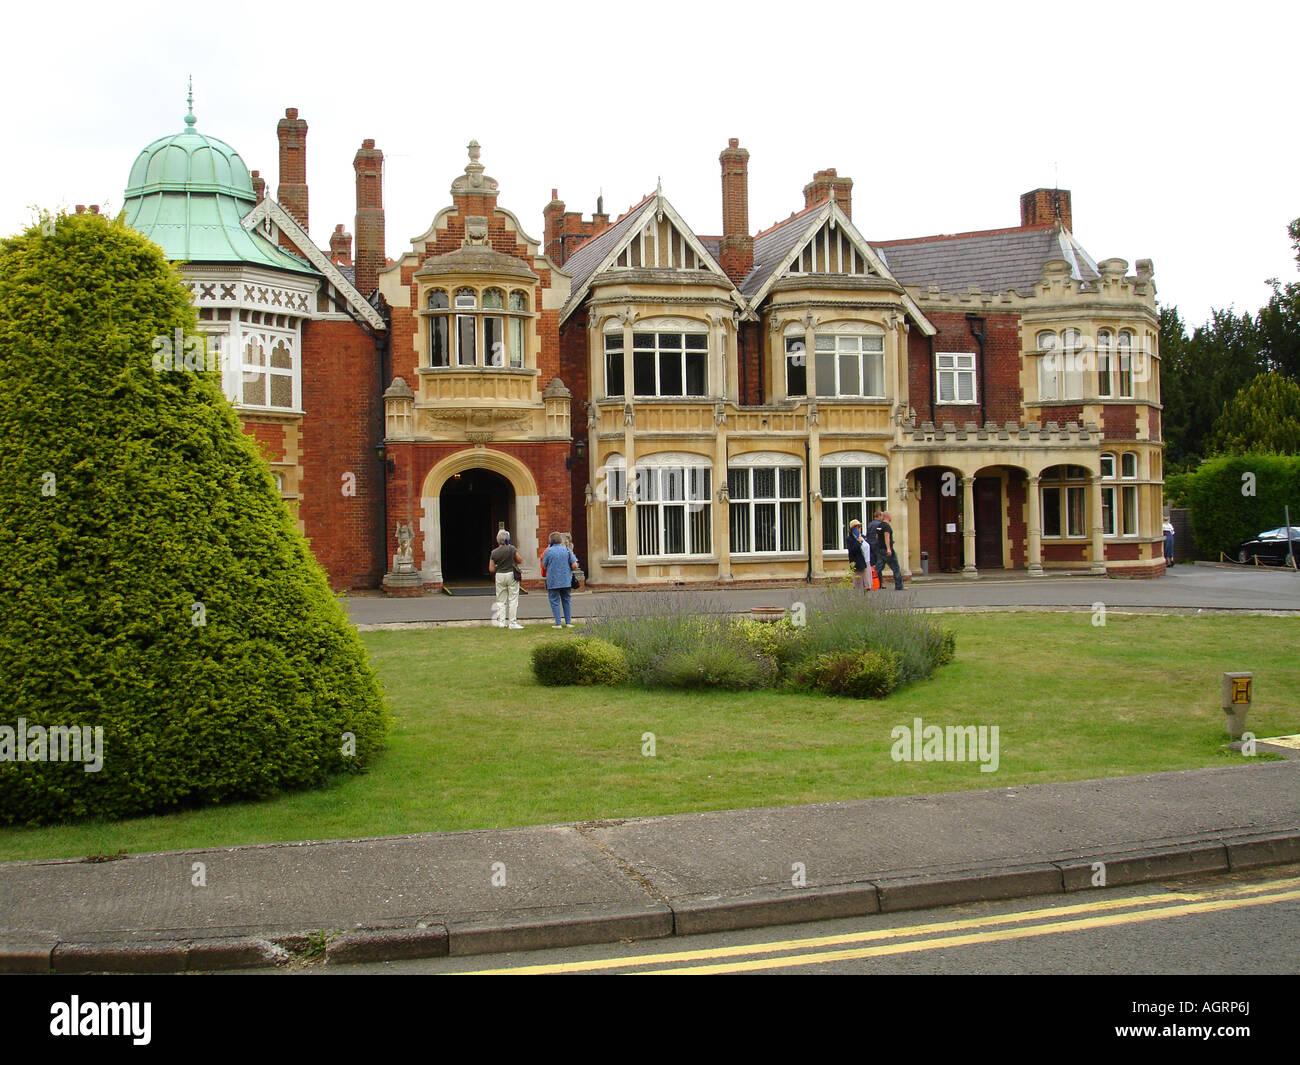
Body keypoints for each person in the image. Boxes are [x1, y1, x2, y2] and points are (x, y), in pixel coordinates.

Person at [541, 532, 580, 627]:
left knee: (554, 601)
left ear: (551, 541)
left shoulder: (548, 551)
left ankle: (558, 623)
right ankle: (568, 622)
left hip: (553, 580)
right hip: (566, 580)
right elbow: (574, 565)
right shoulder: (566, 550)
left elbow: (544, 565)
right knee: (566, 600)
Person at [487, 529, 525, 630]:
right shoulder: (511, 549)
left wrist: (498, 566)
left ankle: (501, 622)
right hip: (511, 574)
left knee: (500, 599)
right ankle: (512, 622)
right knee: (513, 599)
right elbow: (520, 560)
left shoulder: (494, 552)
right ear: (507, 539)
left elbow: (491, 569)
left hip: (499, 575)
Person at [874, 509, 904, 590]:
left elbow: (877, 537)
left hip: (880, 550)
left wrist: (889, 541)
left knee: (878, 568)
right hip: (887, 550)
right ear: (888, 516)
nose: (891, 517)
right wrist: (888, 548)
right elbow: (886, 536)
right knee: (896, 567)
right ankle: (899, 586)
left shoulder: (879, 526)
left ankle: (871, 583)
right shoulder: (886, 526)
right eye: (890, 515)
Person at [845, 518, 871, 594]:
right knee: (858, 582)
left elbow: (868, 547)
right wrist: (859, 542)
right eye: (857, 527)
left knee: (866, 582)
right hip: (857, 562)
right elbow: (853, 550)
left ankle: (866, 597)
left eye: (860, 527)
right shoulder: (850, 539)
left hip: (866, 561)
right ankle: (858, 597)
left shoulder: (862, 536)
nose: (859, 529)